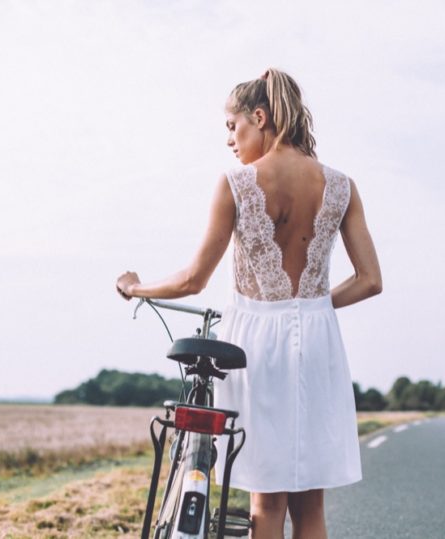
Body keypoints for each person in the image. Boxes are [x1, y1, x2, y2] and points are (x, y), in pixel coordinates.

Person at [116, 68, 382, 539]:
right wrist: (313, 306)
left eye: (232, 126)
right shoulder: (342, 186)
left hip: (256, 348)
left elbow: (193, 280)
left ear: (260, 118)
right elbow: (369, 281)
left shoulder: (237, 183)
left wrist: (136, 288)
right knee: (311, 507)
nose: (229, 140)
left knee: (266, 503)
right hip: (320, 344)